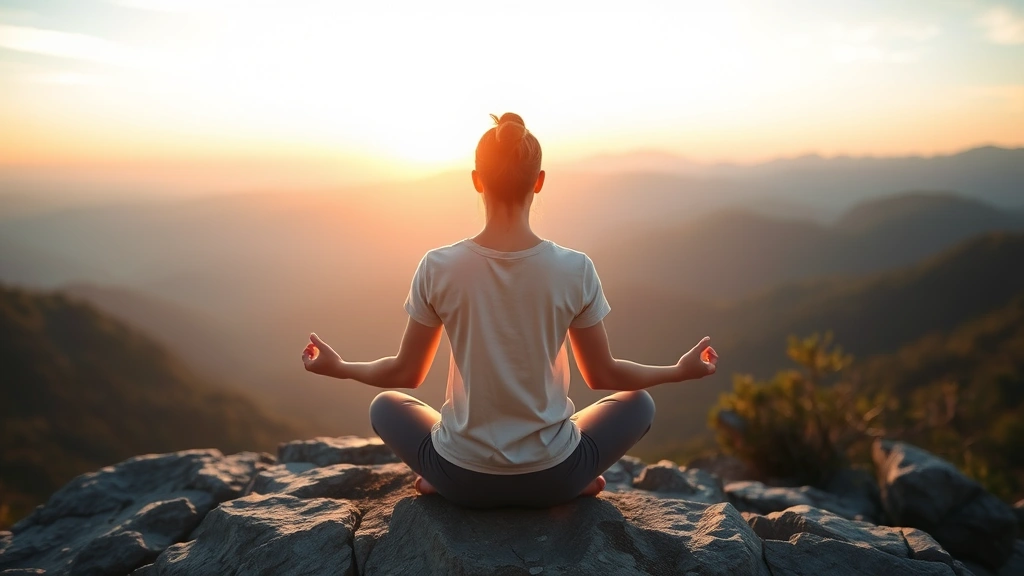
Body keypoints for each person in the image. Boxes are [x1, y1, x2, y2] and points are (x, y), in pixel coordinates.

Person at [301, 113, 719, 508]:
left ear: (476, 181)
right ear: (538, 182)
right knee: (639, 403)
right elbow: (602, 376)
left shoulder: (438, 265)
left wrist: (340, 367)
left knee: (385, 404)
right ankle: (574, 483)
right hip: (553, 475)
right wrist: (679, 370)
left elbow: (406, 375)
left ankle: (440, 481)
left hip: (462, 478)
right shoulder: (576, 268)